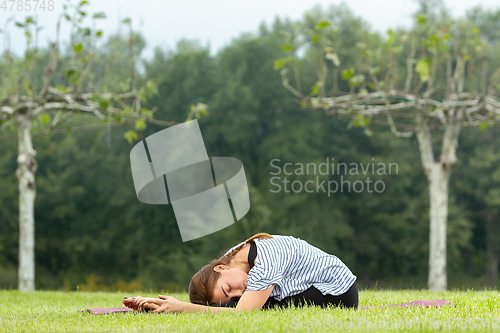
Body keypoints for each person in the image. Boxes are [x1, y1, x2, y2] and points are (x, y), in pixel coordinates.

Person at [123, 233, 358, 313]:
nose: (238, 291)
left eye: (228, 288)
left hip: (335, 293)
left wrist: (182, 308)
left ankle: (172, 308)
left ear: (221, 268)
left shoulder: (265, 260)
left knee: (240, 310)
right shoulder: (234, 257)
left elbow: (242, 314)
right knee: (224, 309)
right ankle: (158, 306)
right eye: (232, 294)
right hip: (307, 288)